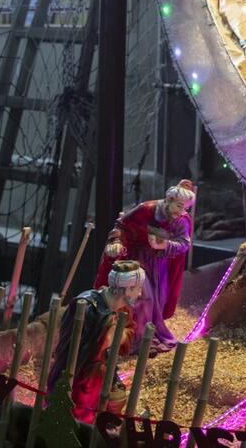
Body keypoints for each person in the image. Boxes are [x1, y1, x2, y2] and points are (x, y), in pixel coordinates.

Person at [94, 180, 195, 354]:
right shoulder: (145, 209)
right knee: (141, 297)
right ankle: (135, 341)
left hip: (160, 265)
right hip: (138, 259)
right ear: (169, 199)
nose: (181, 212)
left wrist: (165, 245)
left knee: (158, 301)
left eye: (185, 208)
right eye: (179, 206)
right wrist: (116, 241)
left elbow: (184, 243)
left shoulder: (181, 220)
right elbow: (121, 225)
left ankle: (146, 335)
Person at [48, 261, 143, 423]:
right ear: (127, 290)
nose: (140, 293)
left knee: (115, 399)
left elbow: (129, 331)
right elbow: (76, 347)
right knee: (77, 413)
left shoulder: (122, 309)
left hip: (101, 372)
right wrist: (107, 337)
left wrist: (117, 336)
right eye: (138, 288)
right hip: (80, 374)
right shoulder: (87, 306)